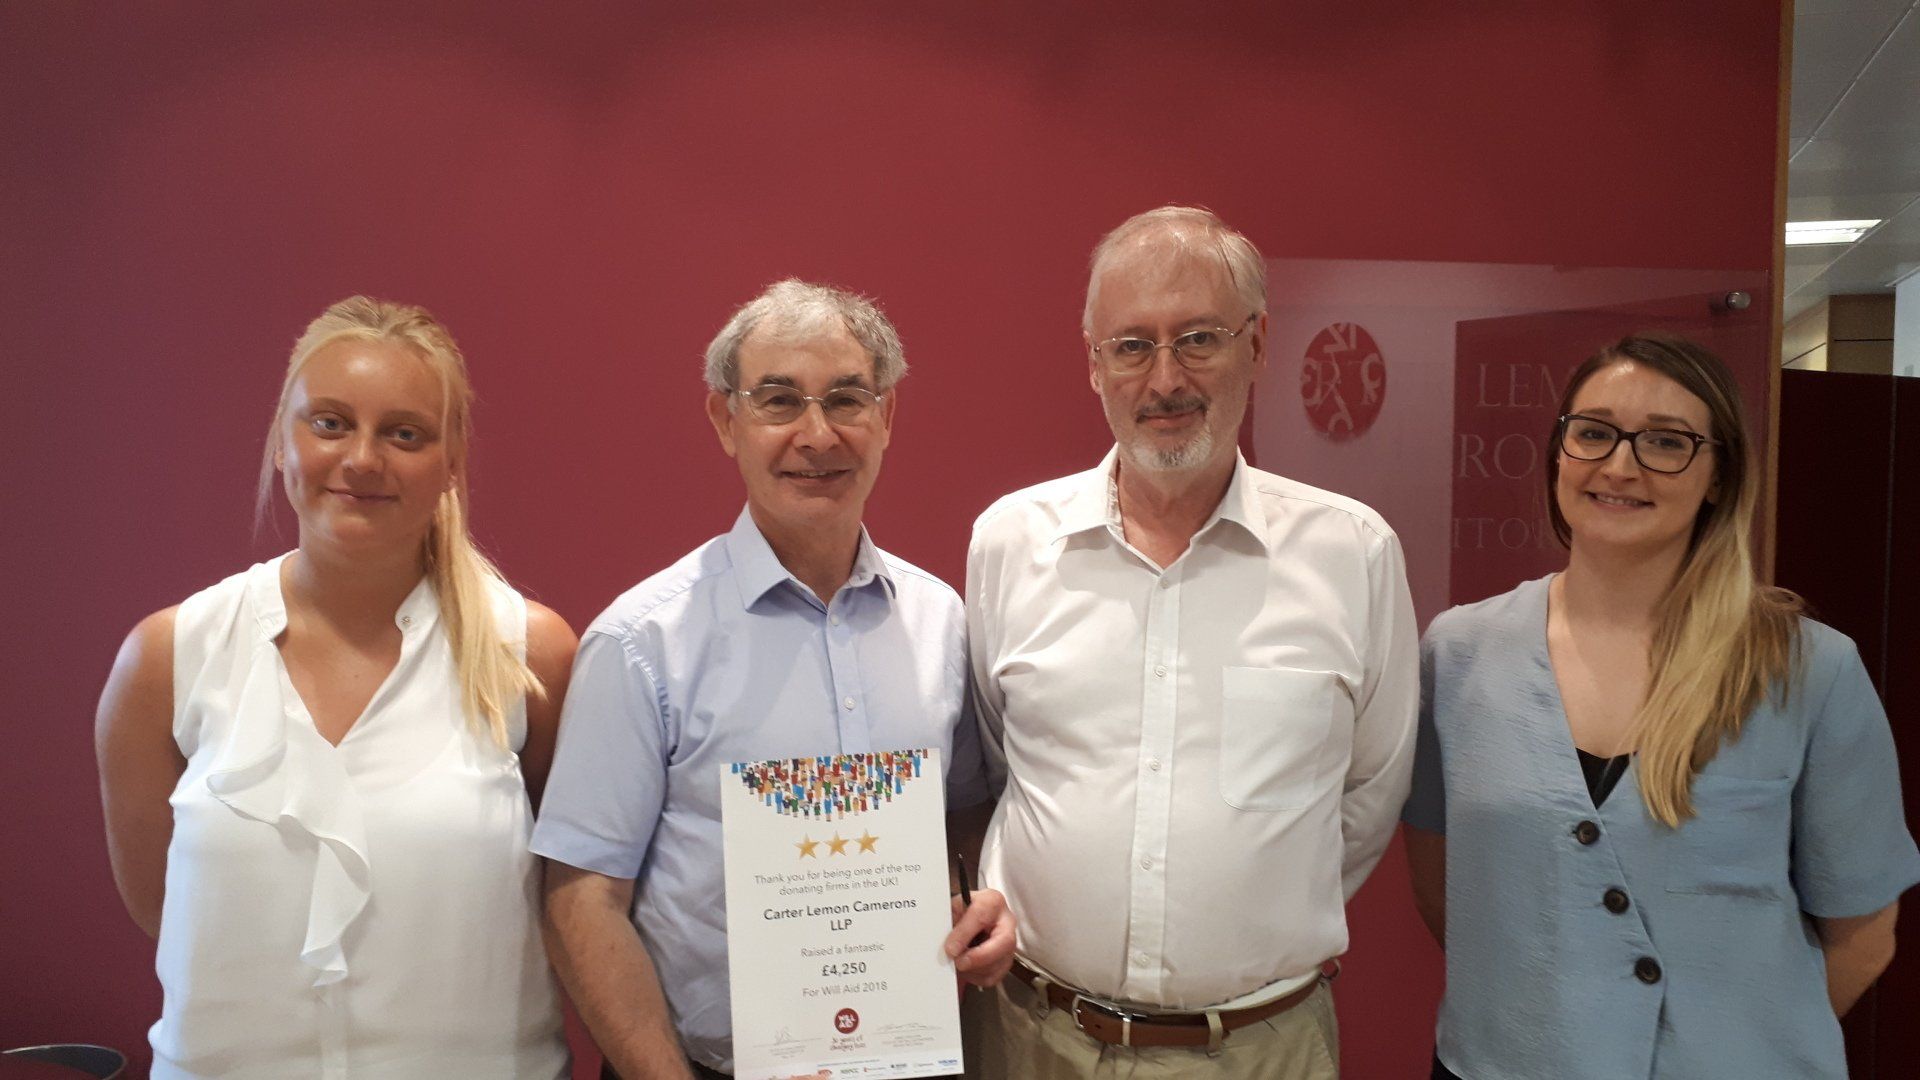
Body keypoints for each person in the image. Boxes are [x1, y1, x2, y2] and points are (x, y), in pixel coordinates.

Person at [965, 206, 1419, 1078]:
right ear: (1093, 362)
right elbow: (1002, 762)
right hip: (1032, 1041)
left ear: (1258, 344)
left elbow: (1366, 794)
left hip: (1261, 1051)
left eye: (1198, 338)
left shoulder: (1353, 553)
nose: (1165, 378)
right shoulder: (1008, 542)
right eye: (1131, 346)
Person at [532, 279, 1016, 1080]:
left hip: (908, 1060)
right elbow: (580, 898)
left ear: (887, 417)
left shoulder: (940, 620)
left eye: (848, 400)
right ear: (727, 420)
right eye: (779, 401)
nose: (817, 435)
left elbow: (963, 812)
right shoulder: (642, 640)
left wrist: (979, 900)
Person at [1402, 333, 1920, 1079]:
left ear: (1719, 476)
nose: (1620, 465)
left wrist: (1733, 1044)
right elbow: (1443, 890)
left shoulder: (1808, 670)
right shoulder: (1458, 654)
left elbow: (1863, 936)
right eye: (1593, 433)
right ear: (1557, 455)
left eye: (1667, 442)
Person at [94, 296, 575, 1078]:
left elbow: (576, 904)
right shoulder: (166, 659)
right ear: (282, 445)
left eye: (405, 433)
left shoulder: (531, 657)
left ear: (452, 460)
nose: (361, 459)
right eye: (329, 423)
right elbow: (165, 910)